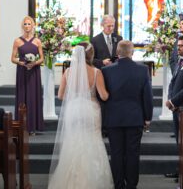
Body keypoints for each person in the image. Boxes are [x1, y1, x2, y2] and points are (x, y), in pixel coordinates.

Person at [48, 42, 113, 189]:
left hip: (73, 109)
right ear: (91, 55)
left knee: (73, 141)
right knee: (92, 141)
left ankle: (70, 181)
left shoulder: (68, 72)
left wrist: (75, 96)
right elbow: (103, 96)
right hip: (90, 109)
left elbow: (60, 96)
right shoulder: (96, 72)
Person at [102, 40, 153, 189]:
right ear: (132, 52)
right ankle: (131, 185)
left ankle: (118, 185)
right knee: (132, 154)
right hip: (135, 117)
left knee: (116, 154)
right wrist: (147, 117)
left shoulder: (107, 71)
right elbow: (147, 96)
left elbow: (102, 96)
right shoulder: (142, 70)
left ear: (117, 53)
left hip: (113, 118)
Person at [11, 16, 44, 134]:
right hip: (22, 72)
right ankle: (22, 126)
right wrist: (21, 63)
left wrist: (34, 63)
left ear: (33, 26)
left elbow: (42, 58)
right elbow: (13, 58)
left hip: (34, 73)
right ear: (22, 26)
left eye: (29, 24)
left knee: (33, 97)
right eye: (25, 24)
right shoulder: (17, 41)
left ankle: (33, 126)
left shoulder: (37, 41)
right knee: (22, 97)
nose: (27, 26)